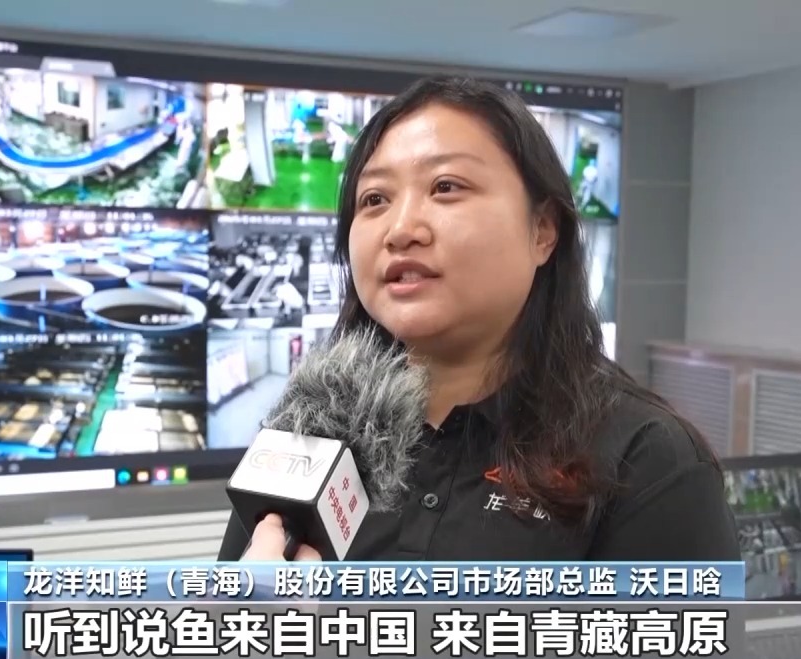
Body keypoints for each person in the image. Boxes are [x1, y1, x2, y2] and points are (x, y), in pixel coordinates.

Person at [227, 76, 740, 561]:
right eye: (375, 199)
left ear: (542, 230)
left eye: (446, 186)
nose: (401, 229)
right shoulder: (310, 430)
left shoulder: (647, 459)